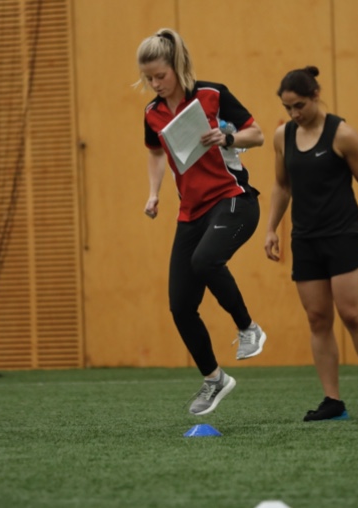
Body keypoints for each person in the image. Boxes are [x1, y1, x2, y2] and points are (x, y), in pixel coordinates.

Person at [136, 28, 267, 416]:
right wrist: (154, 193)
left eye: (160, 75)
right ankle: (214, 379)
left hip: (233, 199)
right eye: (148, 79)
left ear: (177, 66)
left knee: (205, 262)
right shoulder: (152, 113)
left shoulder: (212, 94)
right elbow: (156, 153)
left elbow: (256, 135)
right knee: (180, 306)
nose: (155, 84)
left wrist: (226, 138)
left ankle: (248, 328)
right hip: (190, 211)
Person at [264, 66, 358, 420]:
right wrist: (271, 228)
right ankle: (332, 401)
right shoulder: (282, 136)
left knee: (351, 314)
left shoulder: (343, 135)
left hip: (343, 235)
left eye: (300, 105)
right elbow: (282, 186)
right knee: (318, 319)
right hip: (305, 239)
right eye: (289, 108)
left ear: (316, 95)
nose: (294, 114)